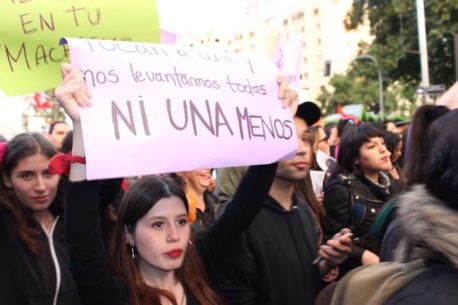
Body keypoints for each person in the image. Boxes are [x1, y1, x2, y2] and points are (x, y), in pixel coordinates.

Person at [54, 63, 351, 305]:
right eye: (157, 224)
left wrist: (274, 120)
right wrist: (83, 128)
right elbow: (81, 234)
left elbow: (245, 205)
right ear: (129, 235)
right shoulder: (112, 293)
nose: (174, 236)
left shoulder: (200, 263)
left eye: (181, 221)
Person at [215, 104, 353, 305]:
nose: (301, 149)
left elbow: (299, 281)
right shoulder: (239, 222)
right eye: (285, 136)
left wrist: (326, 262)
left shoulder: (303, 212)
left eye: (306, 138)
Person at [0, 132, 82, 305]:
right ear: (7, 179)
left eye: (48, 174)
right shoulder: (6, 224)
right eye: (26, 176)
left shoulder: (76, 220)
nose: (40, 186)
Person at [322, 123, 393, 276]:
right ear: (355, 158)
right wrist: (361, 254)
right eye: (372, 146)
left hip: (391, 267)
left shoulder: (389, 181)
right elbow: (332, 239)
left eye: (382, 142)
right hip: (361, 275)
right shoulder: (341, 188)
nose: (382, 149)